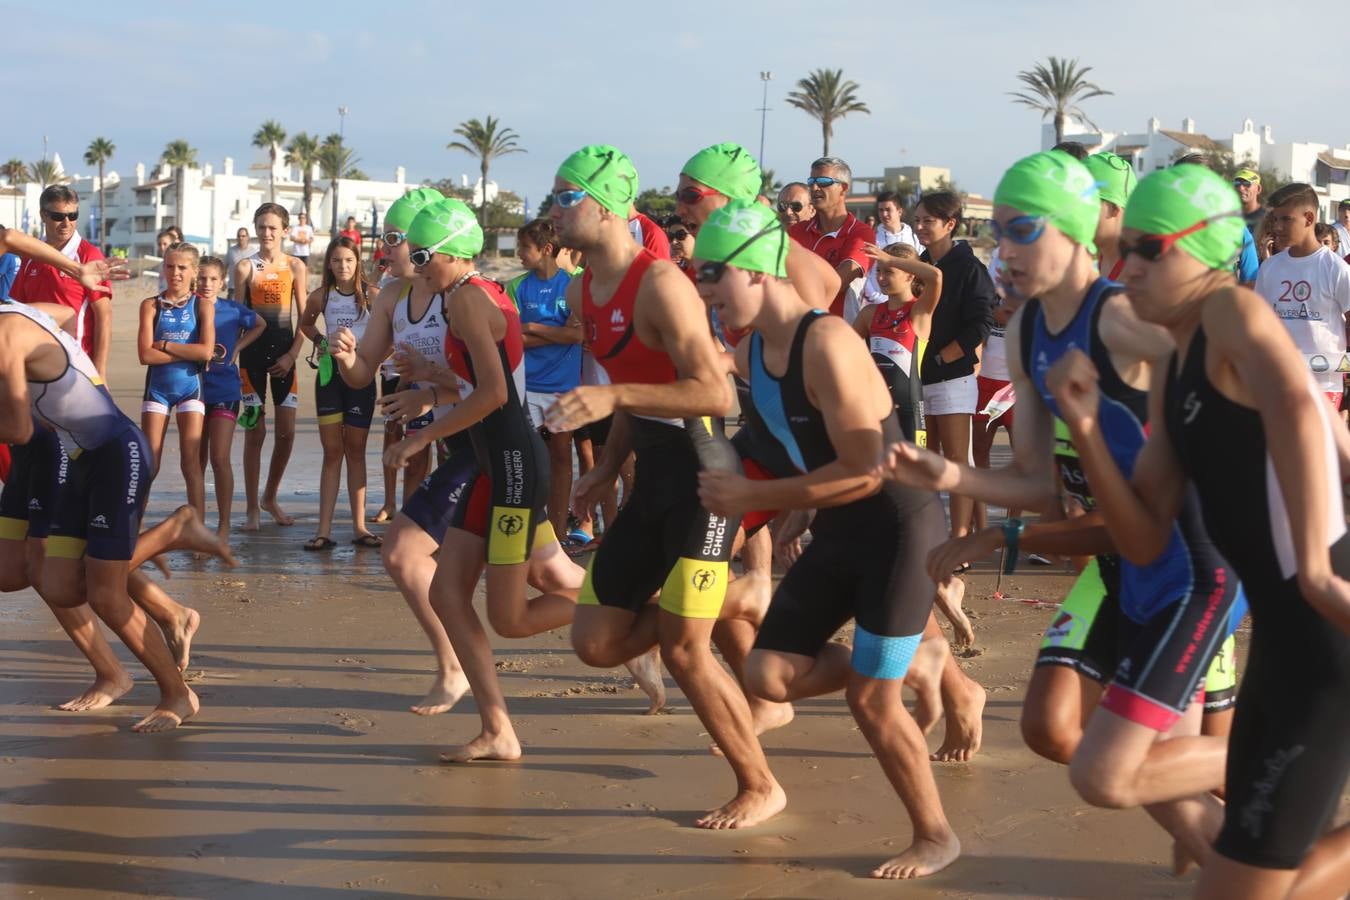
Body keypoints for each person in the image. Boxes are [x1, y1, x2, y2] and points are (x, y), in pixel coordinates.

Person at [880, 153, 1245, 865]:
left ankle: (1260, 815)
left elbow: (1213, 363)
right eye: (999, 233)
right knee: (1062, 736)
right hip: (1119, 563)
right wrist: (951, 473)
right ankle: (1235, 841)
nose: (1004, 250)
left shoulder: (1122, 318)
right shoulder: (1026, 335)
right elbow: (1041, 481)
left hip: (1192, 564)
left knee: (1146, 770)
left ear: (1076, 229)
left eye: (1022, 230)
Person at [1047, 162, 1350, 900]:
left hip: (1326, 630)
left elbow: (1301, 409)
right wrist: (1085, 429)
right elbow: (1145, 536)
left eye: (1153, 249)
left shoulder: (1229, 313)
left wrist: (1313, 567)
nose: (1129, 267)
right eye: (1127, 247)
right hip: (1286, 639)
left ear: (1206, 251)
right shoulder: (1179, 362)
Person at [693, 200, 960, 879]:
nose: (704, 292)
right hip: (839, 528)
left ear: (757, 270)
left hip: (901, 526)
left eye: (712, 275)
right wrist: (763, 516)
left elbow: (870, 470)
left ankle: (934, 834)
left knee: (870, 701)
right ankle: (907, 663)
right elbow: (777, 445)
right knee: (768, 674)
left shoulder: (830, 343)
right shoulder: (755, 347)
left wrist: (758, 500)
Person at [370, 195, 662, 760]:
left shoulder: (469, 303)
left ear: (454, 252)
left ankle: (633, 607)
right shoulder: (469, 297)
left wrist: (424, 435)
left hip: (510, 468)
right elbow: (480, 378)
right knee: (448, 592)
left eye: (425, 252)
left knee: (512, 618)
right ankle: (498, 730)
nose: (419, 263)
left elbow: (496, 394)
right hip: (490, 464)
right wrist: (432, 382)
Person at [546, 144, 785, 829]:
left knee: (683, 648)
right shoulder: (580, 288)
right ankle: (741, 599)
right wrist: (602, 465)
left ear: (605, 205)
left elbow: (714, 390)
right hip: (652, 469)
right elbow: (632, 395)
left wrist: (613, 396)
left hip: (707, 471)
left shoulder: (660, 283)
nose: (554, 211)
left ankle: (759, 784)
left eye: (566, 198)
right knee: (594, 642)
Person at [0, 298, 201, 732]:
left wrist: (82, 371)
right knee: (58, 583)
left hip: (115, 452)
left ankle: (177, 694)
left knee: (105, 593)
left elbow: (16, 429)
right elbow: (64, 319)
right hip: (81, 456)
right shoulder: (16, 318)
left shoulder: (6, 333)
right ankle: (171, 544)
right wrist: (76, 365)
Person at [330, 186, 472, 716]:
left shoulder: (460, 296)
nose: (383, 249)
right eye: (382, 238)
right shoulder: (390, 296)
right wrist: (345, 357)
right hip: (457, 443)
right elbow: (365, 371)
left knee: (407, 555)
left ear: (423, 243)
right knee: (541, 574)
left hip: (489, 446)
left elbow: (496, 389)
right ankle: (639, 630)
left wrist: (429, 395)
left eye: (392, 238)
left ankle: (456, 668)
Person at [913, 190, 995, 542]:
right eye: (917, 220)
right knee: (927, 464)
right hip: (918, 379)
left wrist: (944, 355)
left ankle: (960, 541)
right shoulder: (918, 262)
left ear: (950, 224)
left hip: (954, 381)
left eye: (928, 221)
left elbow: (982, 322)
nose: (920, 227)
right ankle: (932, 537)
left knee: (958, 463)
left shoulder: (970, 267)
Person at [298, 236, 378, 550]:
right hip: (330, 378)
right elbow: (306, 325)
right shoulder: (321, 297)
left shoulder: (373, 296)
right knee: (332, 452)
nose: (342, 266)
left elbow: (389, 333)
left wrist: (370, 356)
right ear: (328, 264)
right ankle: (324, 530)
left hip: (361, 378)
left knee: (356, 451)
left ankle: (360, 527)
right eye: (336, 260)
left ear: (358, 261)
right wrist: (321, 343)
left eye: (348, 259)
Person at [235, 202, 307, 530]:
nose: (266, 233)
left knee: (287, 433)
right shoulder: (245, 267)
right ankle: (252, 507)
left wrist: (292, 355)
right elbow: (237, 318)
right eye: (261, 227)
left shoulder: (295, 267)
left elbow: (305, 318)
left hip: (284, 358)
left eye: (272, 228)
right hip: (251, 360)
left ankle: (270, 497)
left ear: (284, 232)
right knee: (255, 432)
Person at [513, 219, 583, 543]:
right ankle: (531, 529)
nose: (518, 254)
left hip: (562, 388)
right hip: (527, 387)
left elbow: (578, 334)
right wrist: (557, 333)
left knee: (560, 457)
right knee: (529, 460)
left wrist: (535, 328)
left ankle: (558, 532)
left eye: (524, 248)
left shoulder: (573, 285)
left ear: (546, 249)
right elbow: (514, 339)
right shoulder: (518, 287)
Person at [1254, 182, 1350, 409]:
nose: (1277, 227)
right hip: (1277, 381)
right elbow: (1259, 324)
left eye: (1286, 219)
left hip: (1324, 386)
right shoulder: (1269, 268)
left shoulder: (1335, 268)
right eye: (1275, 219)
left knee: (1314, 445)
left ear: (1308, 219)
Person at [137, 243, 215, 519]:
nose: (175, 273)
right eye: (170, 266)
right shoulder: (150, 305)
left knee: (191, 464)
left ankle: (199, 533)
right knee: (150, 464)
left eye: (182, 267)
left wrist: (166, 345)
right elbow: (145, 355)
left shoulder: (203, 305)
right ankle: (132, 529)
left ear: (194, 271)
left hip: (190, 390)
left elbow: (206, 351)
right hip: (157, 391)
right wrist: (185, 354)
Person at [10, 185, 112, 378]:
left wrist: (100, 372)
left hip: (76, 363)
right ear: (43, 215)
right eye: (58, 216)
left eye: (72, 215)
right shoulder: (30, 256)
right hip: (34, 363)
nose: (67, 223)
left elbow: (104, 316)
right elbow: (19, 309)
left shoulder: (88, 255)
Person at [198, 255, 264, 543]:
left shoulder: (232, 310)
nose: (207, 284)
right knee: (195, 461)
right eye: (202, 278)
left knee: (219, 457)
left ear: (222, 281)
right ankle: (197, 525)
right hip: (194, 391)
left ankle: (223, 526)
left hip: (225, 391)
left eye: (213, 279)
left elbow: (259, 324)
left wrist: (237, 346)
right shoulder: (189, 308)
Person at [854, 243, 941, 444]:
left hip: (909, 408)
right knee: (876, 473)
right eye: (879, 271)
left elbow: (935, 276)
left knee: (912, 474)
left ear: (910, 275)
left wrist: (890, 258)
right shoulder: (869, 313)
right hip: (876, 406)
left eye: (889, 271)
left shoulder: (919, 311)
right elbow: (845, 349)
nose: (881, 278)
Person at [789, 156, 877, 321]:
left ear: (843, 188)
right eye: (811, 181)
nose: (814, 187)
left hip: (838, 335)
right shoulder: (796, 232)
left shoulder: (861, 233)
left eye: (823, 181)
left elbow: (837, 283)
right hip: (794, 333)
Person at [861, 191, 923, 304]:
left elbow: (920, 269)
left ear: (899, 211)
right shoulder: (871, 238)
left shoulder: (915, 237)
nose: (884, 214)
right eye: (881, 210)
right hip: (878, 304)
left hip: (909, 304)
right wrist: (877, 298)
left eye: (888, 209)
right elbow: (864, 275)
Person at [223, 227, 256, 298]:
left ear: (247, 237)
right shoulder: (231, 251)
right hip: (233, 289)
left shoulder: (254, 252)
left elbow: (259, 269)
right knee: (231, 309)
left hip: (248, 289)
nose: (241, 238)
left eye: (243, 236)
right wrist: (223, 280)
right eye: (239, 236)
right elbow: (224, 267)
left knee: (247, 309)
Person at [1234, 167, 1266, 239]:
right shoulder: (1229, 216)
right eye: (1237, 184)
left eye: (1246, 183)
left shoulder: (1268, 217)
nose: (1241, 188)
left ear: (1258, 189)